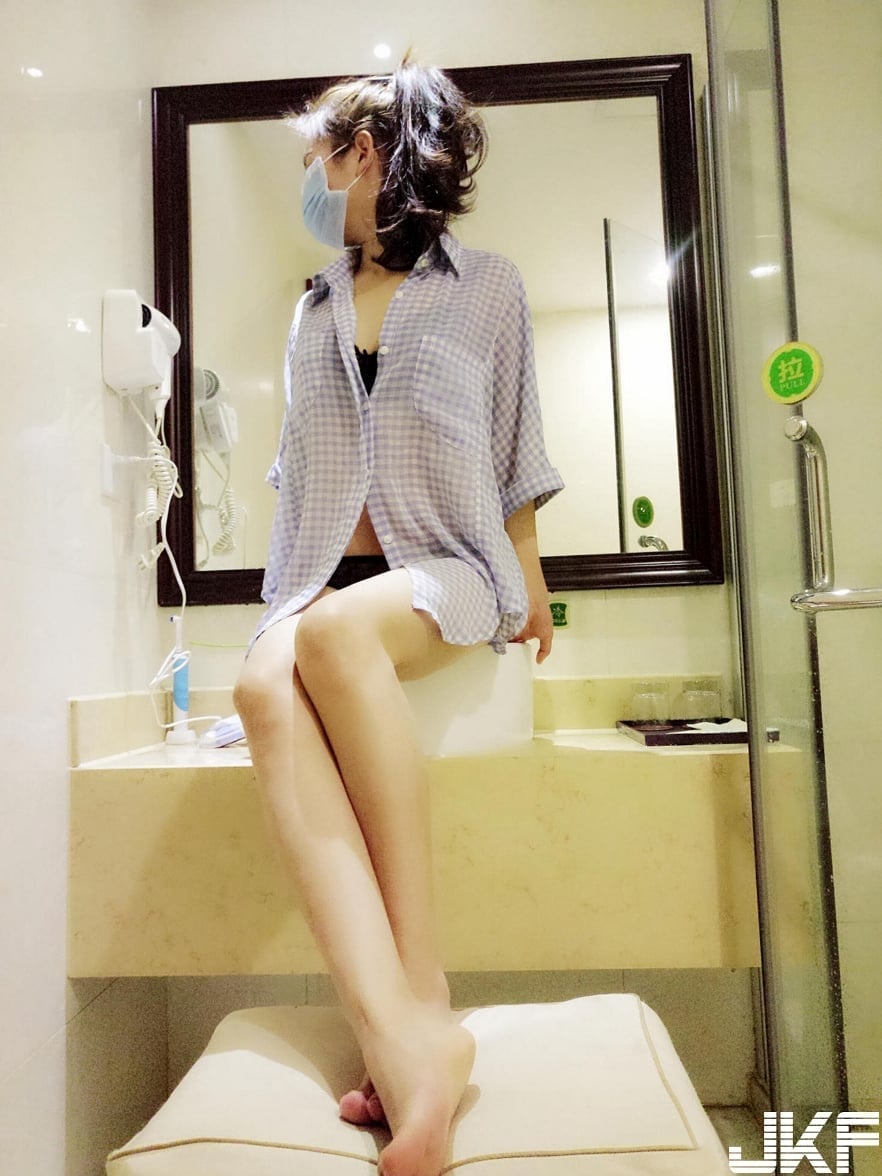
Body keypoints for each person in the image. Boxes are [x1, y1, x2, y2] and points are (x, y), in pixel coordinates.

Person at [233, 60, 563, 1176]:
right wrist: (281, 607)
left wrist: (529, 576)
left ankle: (423, 996)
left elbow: (515, 448)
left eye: (314, 159)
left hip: (447, 569)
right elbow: (298, 477)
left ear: (363, 155)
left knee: (332, 638)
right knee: (260, 678)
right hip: (325, 579)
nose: (308, 181)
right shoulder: (313, 305)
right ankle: (404, 1040)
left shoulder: (490, 287)